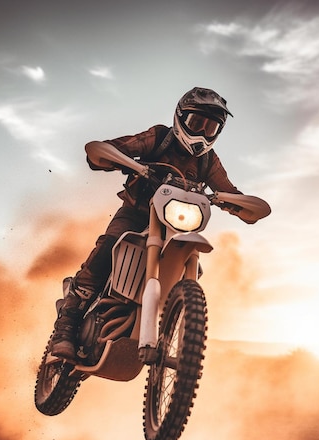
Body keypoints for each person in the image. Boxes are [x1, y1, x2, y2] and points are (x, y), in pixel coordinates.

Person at [51, 86, 271, 360]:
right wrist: (121, 159)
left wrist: (239, 204)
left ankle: (171, 330)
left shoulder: (209, 162)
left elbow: (231, 191)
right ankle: (67, 323)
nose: (202, 132)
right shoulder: (159, 138)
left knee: (190, 265)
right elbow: (110, 149)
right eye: (196, 123)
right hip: (137, 212)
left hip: (176, 226)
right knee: (109, 247)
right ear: (181, 118)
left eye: (210, 127)